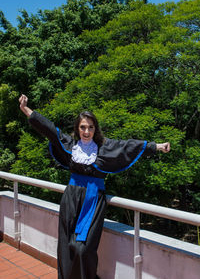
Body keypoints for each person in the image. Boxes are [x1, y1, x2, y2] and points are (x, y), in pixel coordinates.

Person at [19, 94, 170, 279]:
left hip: (93, 200)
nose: (86, 131)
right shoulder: (70, 145)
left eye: (90, 127)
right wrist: (26, 109)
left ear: (95, 128)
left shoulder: (104, 148)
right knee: (67, 245)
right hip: (71, 198)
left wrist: (157, 146)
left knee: (83, 248)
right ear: (77, 128)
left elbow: (128, 146)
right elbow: (49, 128)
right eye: (83, 127)